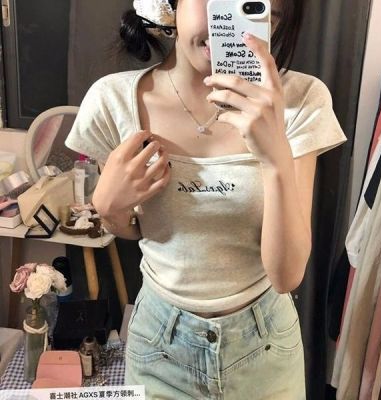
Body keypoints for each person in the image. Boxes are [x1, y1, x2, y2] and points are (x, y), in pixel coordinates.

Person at [65, 0, 347, 398]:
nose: (228, 24)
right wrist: (110, 208)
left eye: (256, 10)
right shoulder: (113, 101)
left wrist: (276, 159)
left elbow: (286, 277)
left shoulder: (300, 99)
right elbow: (134, 230)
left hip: (265, 344)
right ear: (173, 5)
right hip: (160, 343)